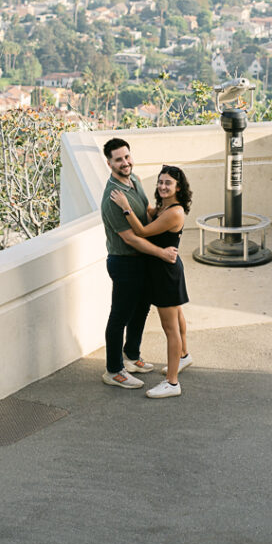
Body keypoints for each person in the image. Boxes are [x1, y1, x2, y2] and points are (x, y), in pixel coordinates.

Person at [100, 138, 179, 391]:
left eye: (127, 156)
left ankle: (131, 356)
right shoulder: (113, 197)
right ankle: (114, 370)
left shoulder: (134, 180)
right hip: (124, 262)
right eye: (119, 159)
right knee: (120, 316)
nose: (125, 162)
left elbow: (145, 211)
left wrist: (171, 211)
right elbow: (132, 238)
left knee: (141, 309)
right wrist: (161, 253)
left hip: (141, 262)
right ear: (109, 163)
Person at [110, 164, 192, 399]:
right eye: (160, 181)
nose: (163, 186)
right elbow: (149, 213)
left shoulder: (175, 212)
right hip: (165, 269)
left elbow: (143, 231)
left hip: (165, 272)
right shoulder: (164, 207)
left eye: (168, 183)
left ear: (178, 187)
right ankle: (184, 356)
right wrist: (137, 191)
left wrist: (126, 208)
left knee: (170, 327)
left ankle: (172, 382)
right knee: (177, 316)